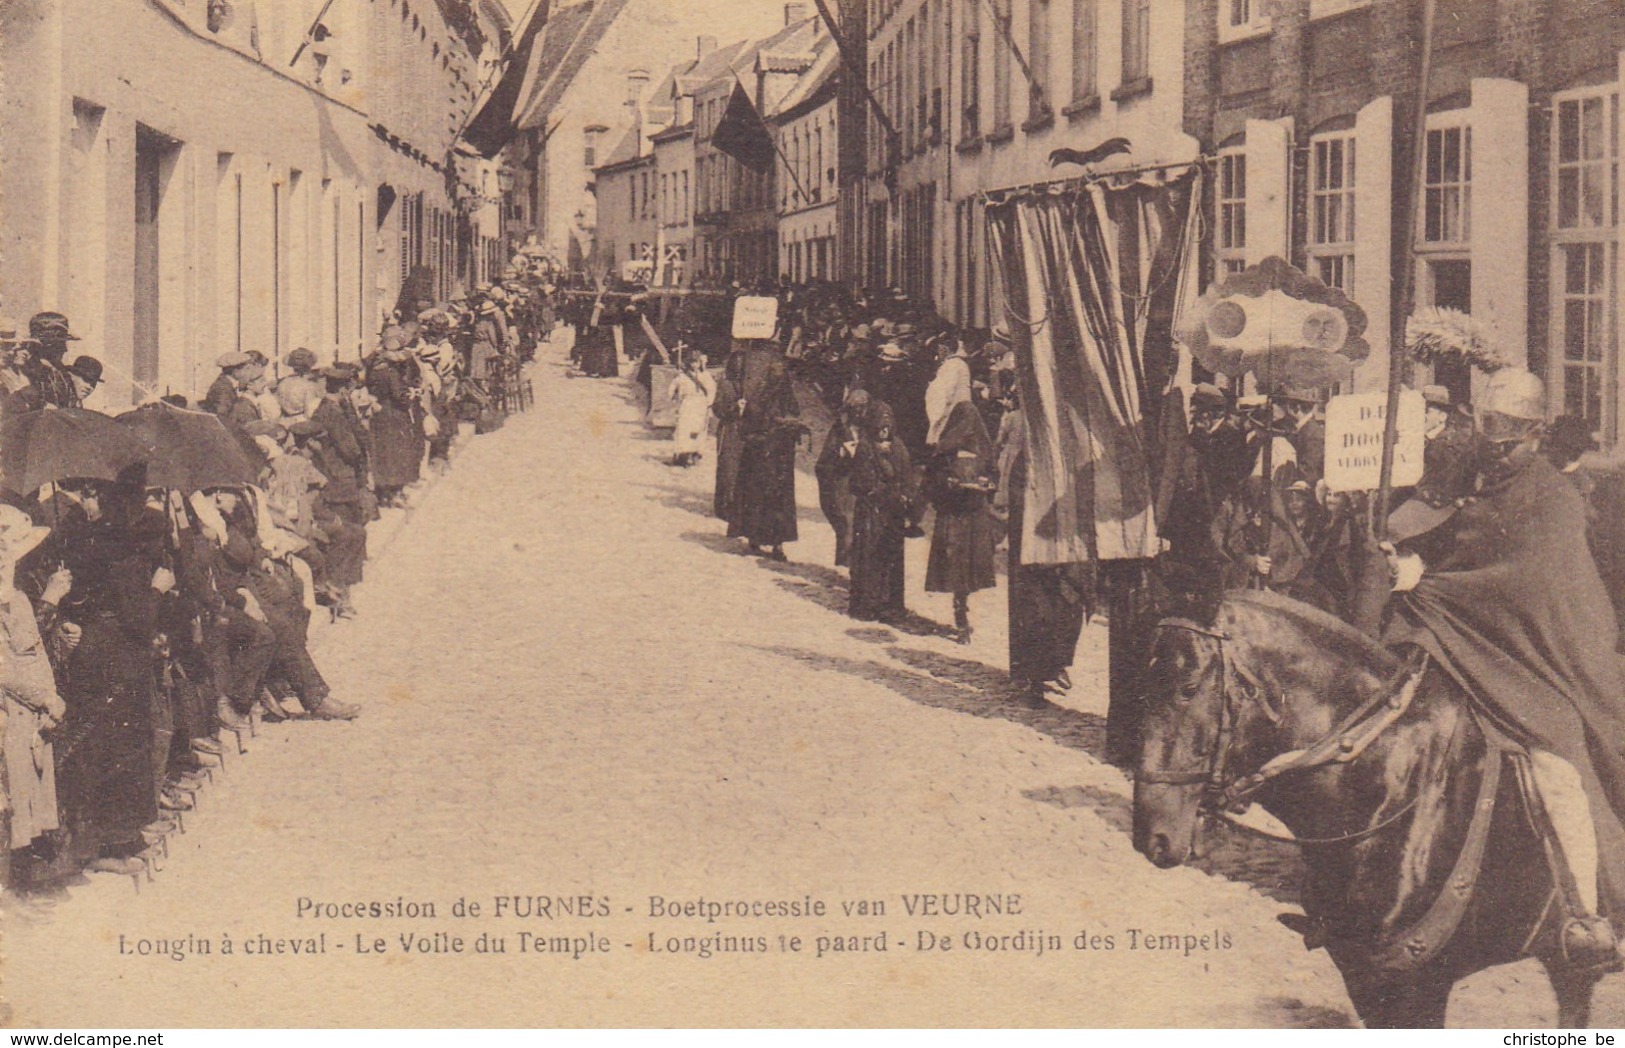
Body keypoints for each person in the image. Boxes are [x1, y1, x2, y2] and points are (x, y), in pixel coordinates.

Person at [1383, 369, 1625, 970]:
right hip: (1471, 639)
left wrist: (1434, 584)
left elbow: (1524, 581)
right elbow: (1447, 530)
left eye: (1512, 433)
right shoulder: (1477, 473)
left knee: (1556, 761)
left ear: (1535, 434)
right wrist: (1406, 549)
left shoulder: (1551, 495)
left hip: (1542, 665)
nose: (1499, 442)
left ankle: (1587, 915)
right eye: (1492, 427)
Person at [996, 398, 1088, 707]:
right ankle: (1033, 679)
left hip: (1063, 543)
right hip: (1034, 548)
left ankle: (1055, 663)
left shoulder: (1069, 447)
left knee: (1069, 603)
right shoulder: (1029, 454)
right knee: (1036, 608)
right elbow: (1018, 494)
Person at [0, 506, 65, 883]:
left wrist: (51, 696)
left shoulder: (19, 598)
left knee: (35, 786)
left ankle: (27, 867)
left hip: (35, 708)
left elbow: (36, 652)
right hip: (15, 708)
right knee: (16, 793)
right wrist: (44, 698)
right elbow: (5, 671)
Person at [731, 338, 803, 561]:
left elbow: (794, 416)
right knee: (768, 496)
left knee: (767, 496)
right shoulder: (761, 396)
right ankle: (765, 540)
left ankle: (768, 542)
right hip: (768, 452)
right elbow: (749, 428)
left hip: (773, 452)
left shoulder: (768, 395)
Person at [848, 397, 916, 623]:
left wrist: (906, 496)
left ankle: (890, 605)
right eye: (880, 427)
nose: (884, 432)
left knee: (891, 560)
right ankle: (868, 604)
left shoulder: (899, 448)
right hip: (871, 513)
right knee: (869, 557)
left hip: (892, 515)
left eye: (887, 427)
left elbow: (907, 476)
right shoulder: (865, 448)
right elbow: (862, 482)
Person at [367, 328, 426, 506]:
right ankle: (394, 493)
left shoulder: (374, 367)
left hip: (379, 414)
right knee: (396, 453)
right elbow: (400, 397)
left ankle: (383, 492)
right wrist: (412, 394)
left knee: (382, 453)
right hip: (394, 414)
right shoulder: (390, 373)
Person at [816, 388, 867, 567]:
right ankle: (849, 564)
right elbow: (825, 460)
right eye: (856, 408)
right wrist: (842, 452)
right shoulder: (840, 428)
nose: (860, 412)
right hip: (844, 481)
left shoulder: (870, 428)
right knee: (847, 523)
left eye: (863, 408)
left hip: (865, 482)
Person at [667, 348, 715, 468]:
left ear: (700, 363)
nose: (695, 365)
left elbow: (712, 390)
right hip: (687, 404)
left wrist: (708, 403)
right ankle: (683, 455)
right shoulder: (682, 376)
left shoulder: (706, 376)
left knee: (698, 429)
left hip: (701, 405)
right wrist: (674, 398)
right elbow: (672, 388)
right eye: (692, 362)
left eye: (697, 362)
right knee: (684, 429)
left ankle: (696, 453)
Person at [23, 312, 81, 409]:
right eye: (60, 344)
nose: (65, 350)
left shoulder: (62, 373)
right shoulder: (27, 372)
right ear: (46, 346)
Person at [276, 347, 324, 422]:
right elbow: (310, 411)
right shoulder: (308, 385)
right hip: (300, 422)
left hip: (283, 421)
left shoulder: (283, 382)